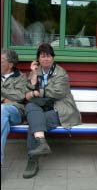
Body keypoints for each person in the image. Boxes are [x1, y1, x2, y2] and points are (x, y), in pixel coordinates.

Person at [23, 43, 81, 178]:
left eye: (48, 56)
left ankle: (32, 161)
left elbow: (57, 92)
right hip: (41, 108)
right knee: (30, 107)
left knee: (33, 124)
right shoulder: (36, 72)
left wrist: (36, 93)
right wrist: (32, 74)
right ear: (38, 59)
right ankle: (42, 143)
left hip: (60, 109)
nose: (46, 59)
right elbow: (26, 92)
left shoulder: (61, 73)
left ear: (53, 58)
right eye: (42, 56)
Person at [1, 49, 27, 166]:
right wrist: (3, 99)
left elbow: (20, 96)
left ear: (10, 64)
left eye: (1, 61)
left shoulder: (21, 77)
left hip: (15, 113)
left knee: (2, 109)